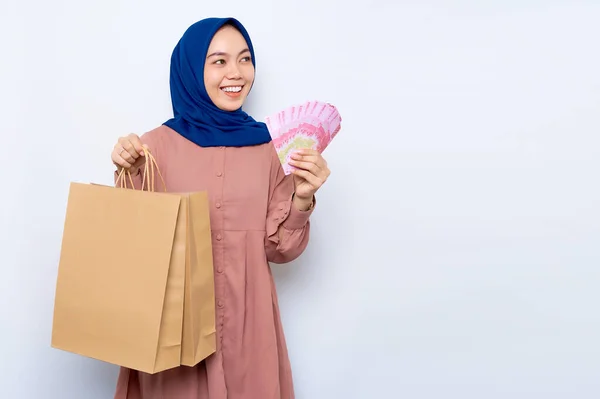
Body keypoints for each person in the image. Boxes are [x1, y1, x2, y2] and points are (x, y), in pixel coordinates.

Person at [109, 17, 331, 399]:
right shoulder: (155, 147)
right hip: (175, 330)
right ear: (192, 69)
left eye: (245, 59)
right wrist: (127, 168)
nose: (237, 73)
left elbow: (280, 248)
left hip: (250, 326)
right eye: (219, 61)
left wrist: (303, 197)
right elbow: (131, 242)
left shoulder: (268, 149)